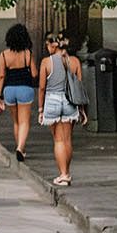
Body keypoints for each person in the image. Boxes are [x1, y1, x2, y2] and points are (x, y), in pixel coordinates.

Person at [38, 31, 85, 187]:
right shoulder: (75, 62)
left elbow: (42, 88)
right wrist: (82, 109)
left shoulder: (46, 62)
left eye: (47, 45)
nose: (46, 48)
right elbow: (79, 87)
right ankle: (67, 172)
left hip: (52, 100)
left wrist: (40, 109)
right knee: (67, 139)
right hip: (70, 102)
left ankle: (63, 174)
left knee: (58, 140)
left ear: (53, 45)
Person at [0, 22, 39, 161]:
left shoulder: (3, 55)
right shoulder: (28, 53)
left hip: (9, 90)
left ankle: (20, 147)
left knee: (16, 122)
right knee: (25, 121)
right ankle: (20, 148)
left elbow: (1, 76)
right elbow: (34, 74)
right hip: (25, 89)